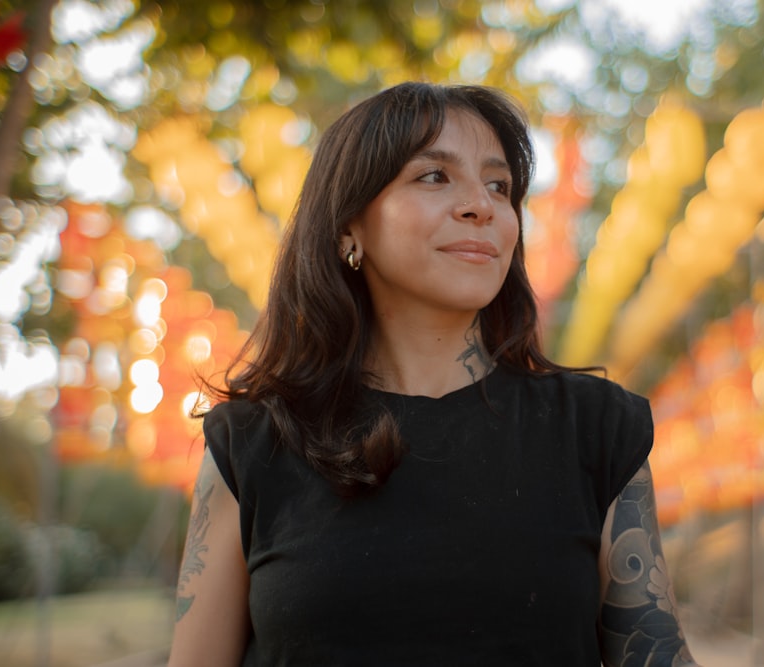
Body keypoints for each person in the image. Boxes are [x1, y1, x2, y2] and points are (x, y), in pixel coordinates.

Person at [167, 81, 703, 667]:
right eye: (434, 176)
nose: (483, 204)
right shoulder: (251, 442)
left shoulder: (596, 428)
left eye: (499, 185)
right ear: (350, 227)